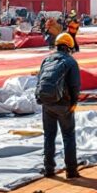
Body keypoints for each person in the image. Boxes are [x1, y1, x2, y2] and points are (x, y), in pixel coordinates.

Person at [35, 32, 81, 179]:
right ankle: (71, 171)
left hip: (47, 104)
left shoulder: (46, 60)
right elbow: (75, 86)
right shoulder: (71, 62)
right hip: (64, 104)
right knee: (68, 136)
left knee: (49, 136)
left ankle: (49, 169)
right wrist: (74, 103)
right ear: (69, 47)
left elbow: (39, 81)